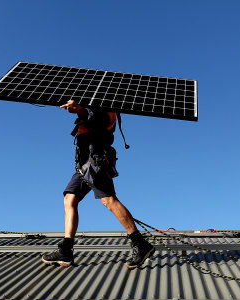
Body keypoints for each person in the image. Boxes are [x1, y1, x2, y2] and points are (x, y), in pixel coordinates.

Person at [41, 99, 155, 269]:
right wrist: (81, 109)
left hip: (96, 161)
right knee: (70, 199)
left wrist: (80, 110)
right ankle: (66, 250)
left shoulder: (104, 108)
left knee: (108, 200)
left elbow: (95, 118)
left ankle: (140, 243)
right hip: (85, 163)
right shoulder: (98, 104)